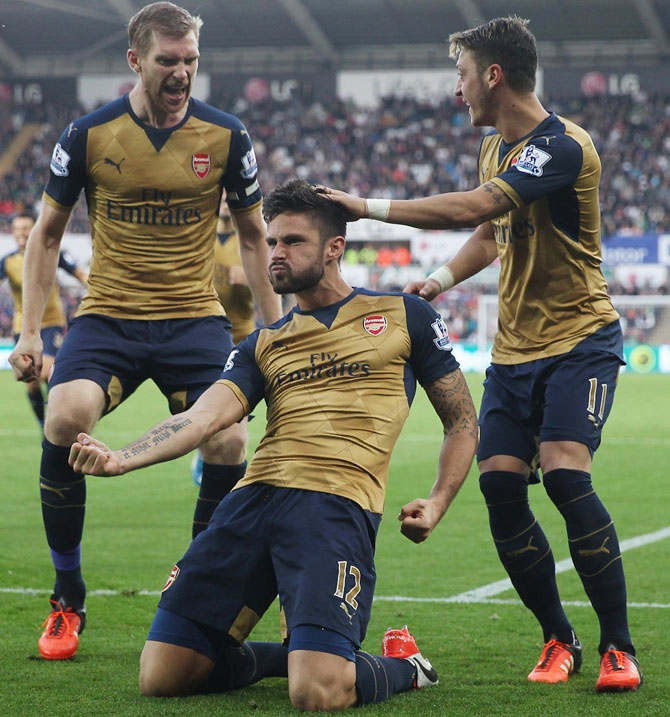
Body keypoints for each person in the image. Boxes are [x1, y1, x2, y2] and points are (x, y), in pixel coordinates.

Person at [68, 179, 478, 711]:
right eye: (272, 242)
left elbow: (462, 422)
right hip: (252, 501)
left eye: (292, 242)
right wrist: (122, 457)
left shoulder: (406, 316)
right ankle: (292, 657)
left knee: (317, 694)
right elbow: (202, 417)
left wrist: (439, 500)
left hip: (333, 507)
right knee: (163, 675)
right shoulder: (262, 342)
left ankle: (405, 667)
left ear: (335, 248)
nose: (275, 254)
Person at [321, 16, 642, 694]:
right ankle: (559, 637)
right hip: (515, 350)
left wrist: (365, 205)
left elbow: (477, 204)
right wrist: (437, 281)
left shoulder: (562, 145)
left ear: (493, 75)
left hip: (579, 341)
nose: (456, 88)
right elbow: (495, 228)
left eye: (461, 74)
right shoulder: (496, 148)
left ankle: (619, 645)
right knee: (499, 483)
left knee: (562, 474)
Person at [8, 1, 281, 661]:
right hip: (111, 315)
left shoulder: (226, 136)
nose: (182, 73)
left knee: (228, 438)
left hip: (194, 320)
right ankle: (68, 595)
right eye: (169, 60)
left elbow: (252, 236)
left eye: (190, 60)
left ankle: (193, 580)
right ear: (136, 60)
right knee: (65, 416)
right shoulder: (89, 133)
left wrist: (278, 334)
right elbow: (46, 234)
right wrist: (29, 332)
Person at [190, 193, 255, 542]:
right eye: (223, 197)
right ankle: (210, 461)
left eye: (233, 197)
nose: (228, 203)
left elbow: (274, 279)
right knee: (215, 413)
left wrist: (255, 277)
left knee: (235, 419)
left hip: (242, 336)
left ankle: (224, 467)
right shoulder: (199, 233)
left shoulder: (253, 235)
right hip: (204, 334)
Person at [1, 211, 87, 428]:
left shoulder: (52, 253)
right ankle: (44, 425)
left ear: (35, 229)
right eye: (17, 228)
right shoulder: (8, 262)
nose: (21, 232)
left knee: (47, 371)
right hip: (23, 326)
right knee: (31, 383)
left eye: (26, 228)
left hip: (51, 323)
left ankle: (55, 421)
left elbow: (80, 274)